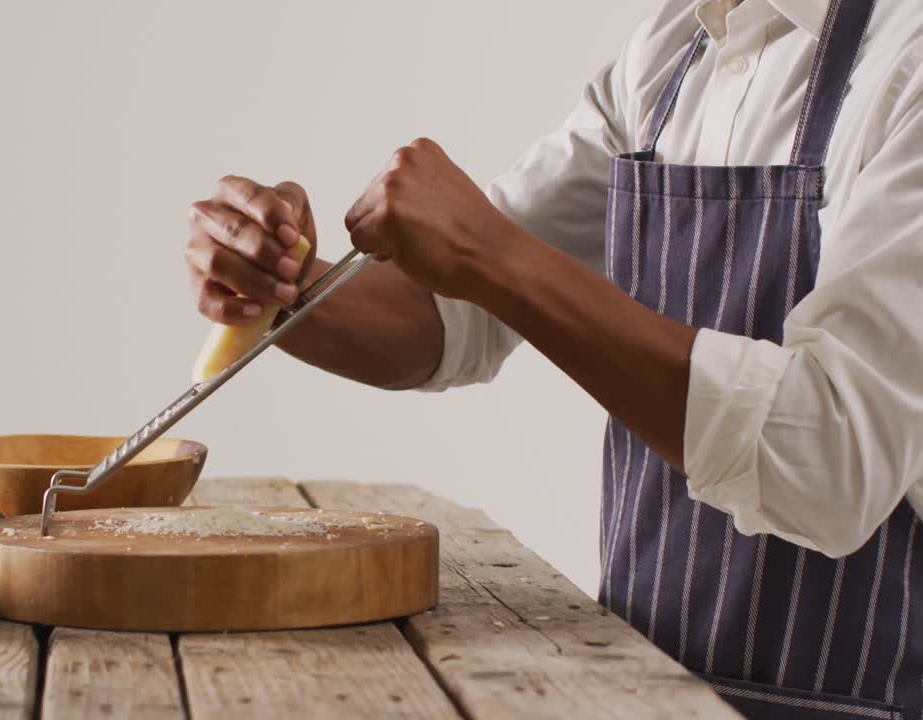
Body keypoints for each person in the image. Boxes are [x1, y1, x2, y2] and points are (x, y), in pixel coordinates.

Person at [184, 1, 923, 718]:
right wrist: (287, 284)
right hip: (647, 690)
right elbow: (453, 314)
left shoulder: (907, 58)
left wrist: (489, 253)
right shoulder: (671, 55)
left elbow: (834, 453)